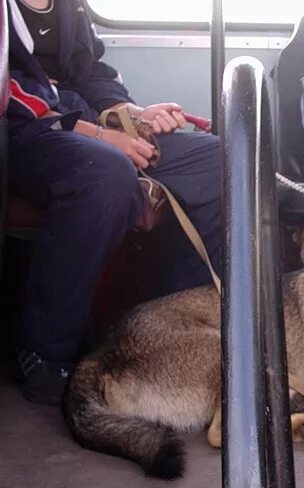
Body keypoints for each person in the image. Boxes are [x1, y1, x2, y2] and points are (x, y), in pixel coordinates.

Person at [7, 0, 222, 404]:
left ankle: (173, 332)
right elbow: (8, 89)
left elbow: (93, 73)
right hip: (24, 134)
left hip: (84, 123)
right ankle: (44, 353)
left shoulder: (69, 7)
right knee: (106, 172)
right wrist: (95, 133)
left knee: (215, 159)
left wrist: (130, 113)